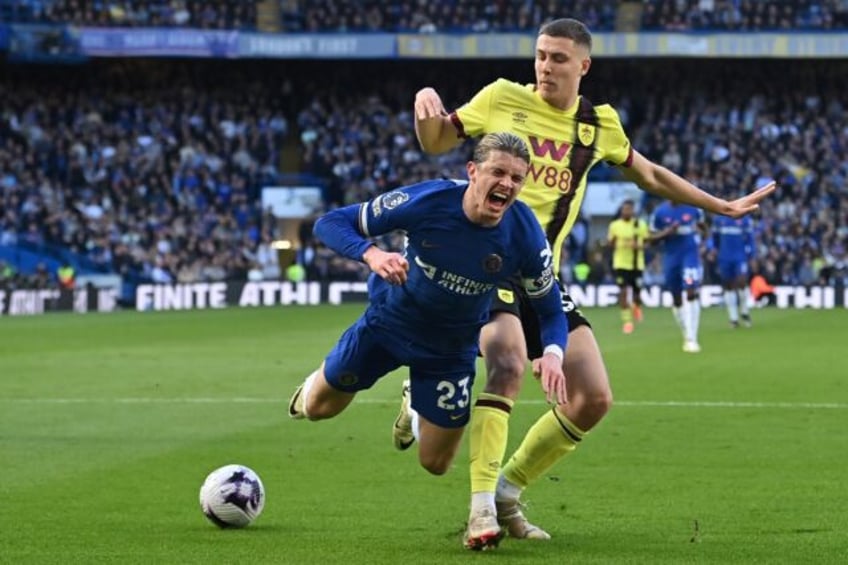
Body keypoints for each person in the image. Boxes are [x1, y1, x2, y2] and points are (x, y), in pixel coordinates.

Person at [408, 17, 776, 549]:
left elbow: (649, 175)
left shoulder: (598, 125)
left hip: (540, 277)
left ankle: (508, 491)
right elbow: (436, 139)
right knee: (507, 364)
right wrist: (425, 108)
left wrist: (719, 205)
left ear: (583, 65)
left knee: (594, 398)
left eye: (558, 58)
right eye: (540, 54)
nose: (545, 66)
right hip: (485, 268)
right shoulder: (502, 98)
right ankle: (480, 510)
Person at [287, 133, 569, 522]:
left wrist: (553, 354)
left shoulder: (525, 233)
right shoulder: (428, 201)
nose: (507, 184)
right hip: (390, 324)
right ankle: (321, 380)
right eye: (498, 172)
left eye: (517, 178)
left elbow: (551, 311)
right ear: (472, 171)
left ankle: (413, 405)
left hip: (450, 350)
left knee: (435, 463)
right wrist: (371, 253)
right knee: (317, 409)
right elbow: (330, 223)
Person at [650, 200, 707, 352]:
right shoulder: (660, 212)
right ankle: (686, 331)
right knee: (676, 297)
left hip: (690, 256)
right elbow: (651, 239)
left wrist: (704, 241)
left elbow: (703, 226)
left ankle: (691, 338)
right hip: (671, 257)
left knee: (690, 290)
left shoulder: (694, 208)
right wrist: (667, 232)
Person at [607, 199, 649, 333]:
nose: (626, 212)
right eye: (624, 209)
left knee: (637, 295)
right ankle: (627, 321)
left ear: (633, 211)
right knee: (623, 292)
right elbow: (610, 244)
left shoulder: (640, 225)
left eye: (629, 209)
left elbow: (647, 243)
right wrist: (612, 242)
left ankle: (637, 307)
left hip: (637, 264)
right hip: (621, 263)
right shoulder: (615, 225)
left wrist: (639, 246)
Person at [712, 214, 755, 327]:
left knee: (742, 281)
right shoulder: (718, 219)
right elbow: (714, 238)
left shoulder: (745, 219)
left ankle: (744, 310)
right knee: (728, 285)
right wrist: (713, 250)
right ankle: (733, 317)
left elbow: (750, 239)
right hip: (724, 257)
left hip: (740, 256)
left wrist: (752, 256)